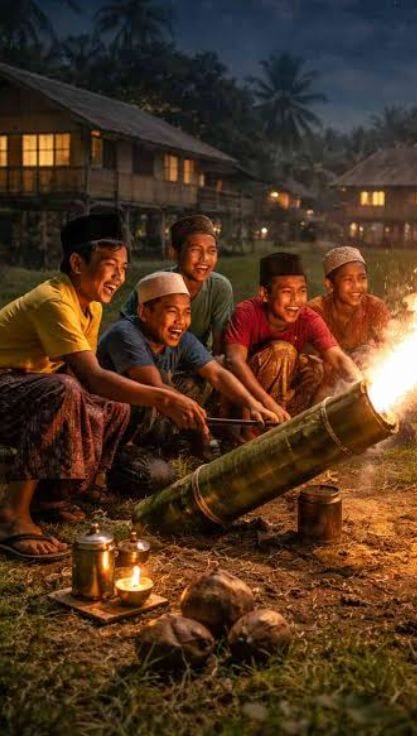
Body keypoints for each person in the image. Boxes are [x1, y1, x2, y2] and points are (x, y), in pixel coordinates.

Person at [0, 213, 209, 563]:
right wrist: (165, 397)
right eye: (110, 265)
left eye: (124, 268)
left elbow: (85, 378)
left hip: (27, 385)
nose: (119, 277)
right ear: (77, 263)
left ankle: (54, 498)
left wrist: (98, 407)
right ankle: (11, 516)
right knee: (63, 390)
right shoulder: (54, 300)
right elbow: (91, 375)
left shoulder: (91, 305)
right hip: (8, 382)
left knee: (115, 406)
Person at [98, 271, 278, 490]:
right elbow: (154, 386)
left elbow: (217, 374)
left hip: (147, 421)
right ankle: (106, 466)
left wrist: (254, 405)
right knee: (157, 477)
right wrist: (194, 415)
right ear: (144, 312)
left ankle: (164, 446)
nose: (181, 322)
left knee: (196, 383)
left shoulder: (183, 338)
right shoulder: (125, 333)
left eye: (186, 312)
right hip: (112, 434)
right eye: (172, 312)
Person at [224, 252, 361, 425]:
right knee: (283, 351)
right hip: (241, 398)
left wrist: (362, 385)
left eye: (302, 291)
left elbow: (338, 358)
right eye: (287, 292)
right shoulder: (246, 312)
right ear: (265, 294)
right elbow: (234, 361)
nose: (296, 300)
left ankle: (291, 424)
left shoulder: (308, 318)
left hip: (281, 395)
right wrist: (268, 404)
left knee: (314, 366)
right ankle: (251, 433)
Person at [121, 214, 232, 355]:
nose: (204, 259)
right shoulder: (153, 285)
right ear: (174, 253)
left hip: (196, 362)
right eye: (195, 250)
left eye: (212, 251)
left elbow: (220, 344)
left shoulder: (219, 288)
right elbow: (124, 331)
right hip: (148, 360)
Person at [308, 246, 390, 368]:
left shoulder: (375, 308)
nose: (357, 285)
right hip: (327, 378)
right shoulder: (315, 311)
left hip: (366, 375)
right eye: (348, 280)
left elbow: (387, 348)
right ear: (329, 284)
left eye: (362, 278)